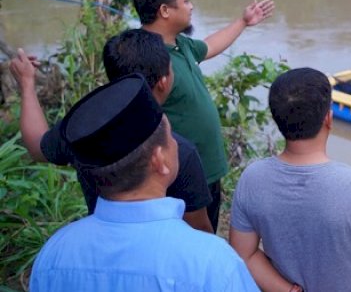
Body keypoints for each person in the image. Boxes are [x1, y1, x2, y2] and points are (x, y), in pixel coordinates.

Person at [29, 74, 258, 292]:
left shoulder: (55, 254)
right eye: (170, 137)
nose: (178, 145)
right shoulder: (212, 262)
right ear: (159, 161)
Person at [9, 29, 213, 232]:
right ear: (164, 81)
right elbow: (200, 230)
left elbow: (37, 147)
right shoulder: (177, 150)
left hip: (102, 241)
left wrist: (27, 84)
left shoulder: (85, 129)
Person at [230, 68, 351, 292]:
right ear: (328, 118)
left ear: (276, 118)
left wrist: (287, 290)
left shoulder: (253, 178)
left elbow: (243, 253)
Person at [132, 0, 274, 232]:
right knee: (191, 239)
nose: (191, 6)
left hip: (205, 172)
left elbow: (208, 46)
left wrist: (243, 22)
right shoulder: (148, 60)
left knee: (207, 228)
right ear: (165, 10)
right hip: (179, 177)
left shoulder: (180, 45)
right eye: (186, 1)